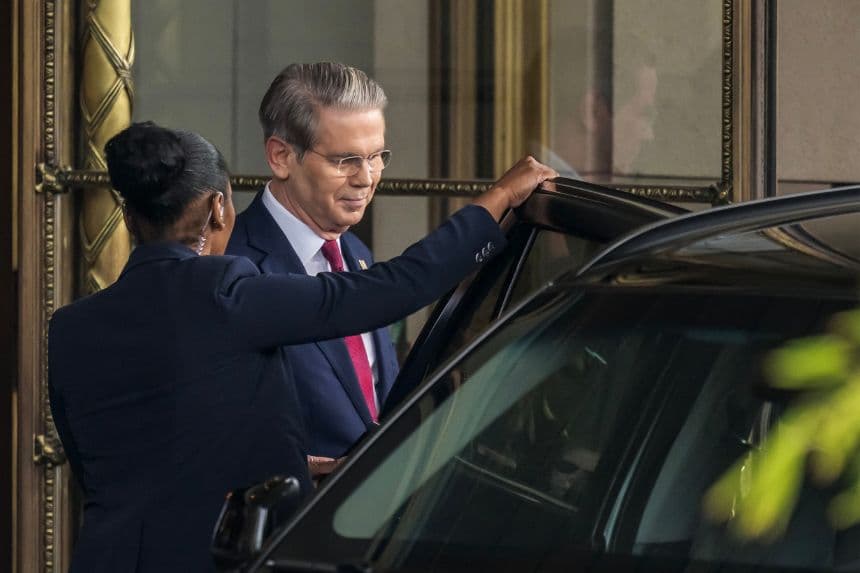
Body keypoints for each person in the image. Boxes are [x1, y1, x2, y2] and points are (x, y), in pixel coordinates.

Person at [47, 121, 556, 572]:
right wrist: (497, 201)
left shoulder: (70, 328)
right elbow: (389, 290)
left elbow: (127, 459)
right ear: (218, 207)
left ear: (130, 219)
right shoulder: (227, 292)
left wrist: (283, 462)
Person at [227, 63, 398, 477]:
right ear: (282, 156)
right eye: (346, 160)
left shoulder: (356, 253)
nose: (367, 178)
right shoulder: (232, 267)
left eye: (377, 157)